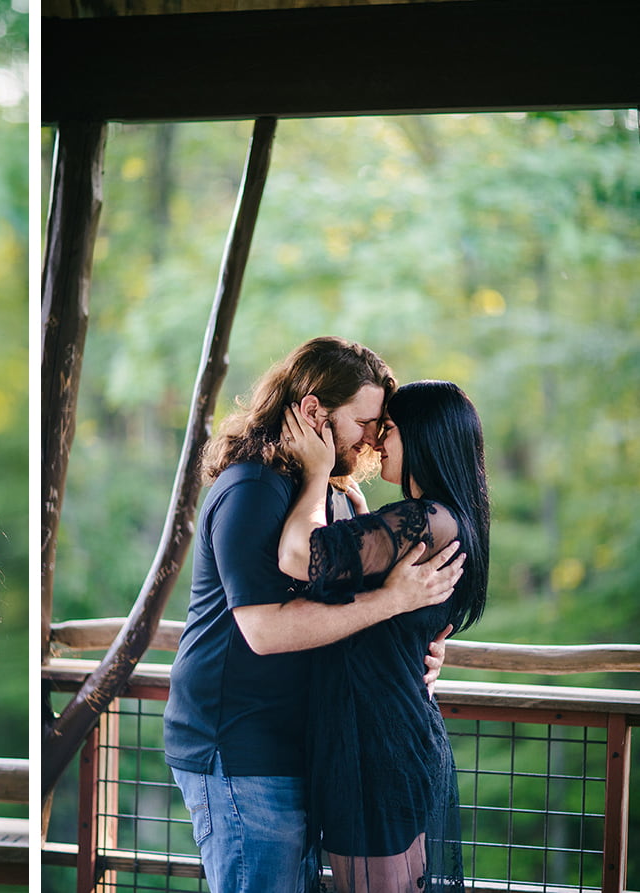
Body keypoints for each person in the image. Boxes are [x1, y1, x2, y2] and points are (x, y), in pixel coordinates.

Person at [163, 336, 465, 893]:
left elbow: (363, 607)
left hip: (306, 742)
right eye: (365, 421)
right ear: (311, 411)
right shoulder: (252, 488)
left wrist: (418, 644)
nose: (374, 437)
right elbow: (264, 629)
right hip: (240, 744)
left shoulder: (338, 496)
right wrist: (394, 601)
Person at [278, 379, 489, 891]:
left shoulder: (428, 520)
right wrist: (365, 518)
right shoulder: (450, 518)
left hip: (374, 748)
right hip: (385, 737)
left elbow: (299, 556)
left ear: (422, 437)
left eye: (388, 430)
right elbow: (395, 622)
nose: (375, 443)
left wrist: (315, 475)